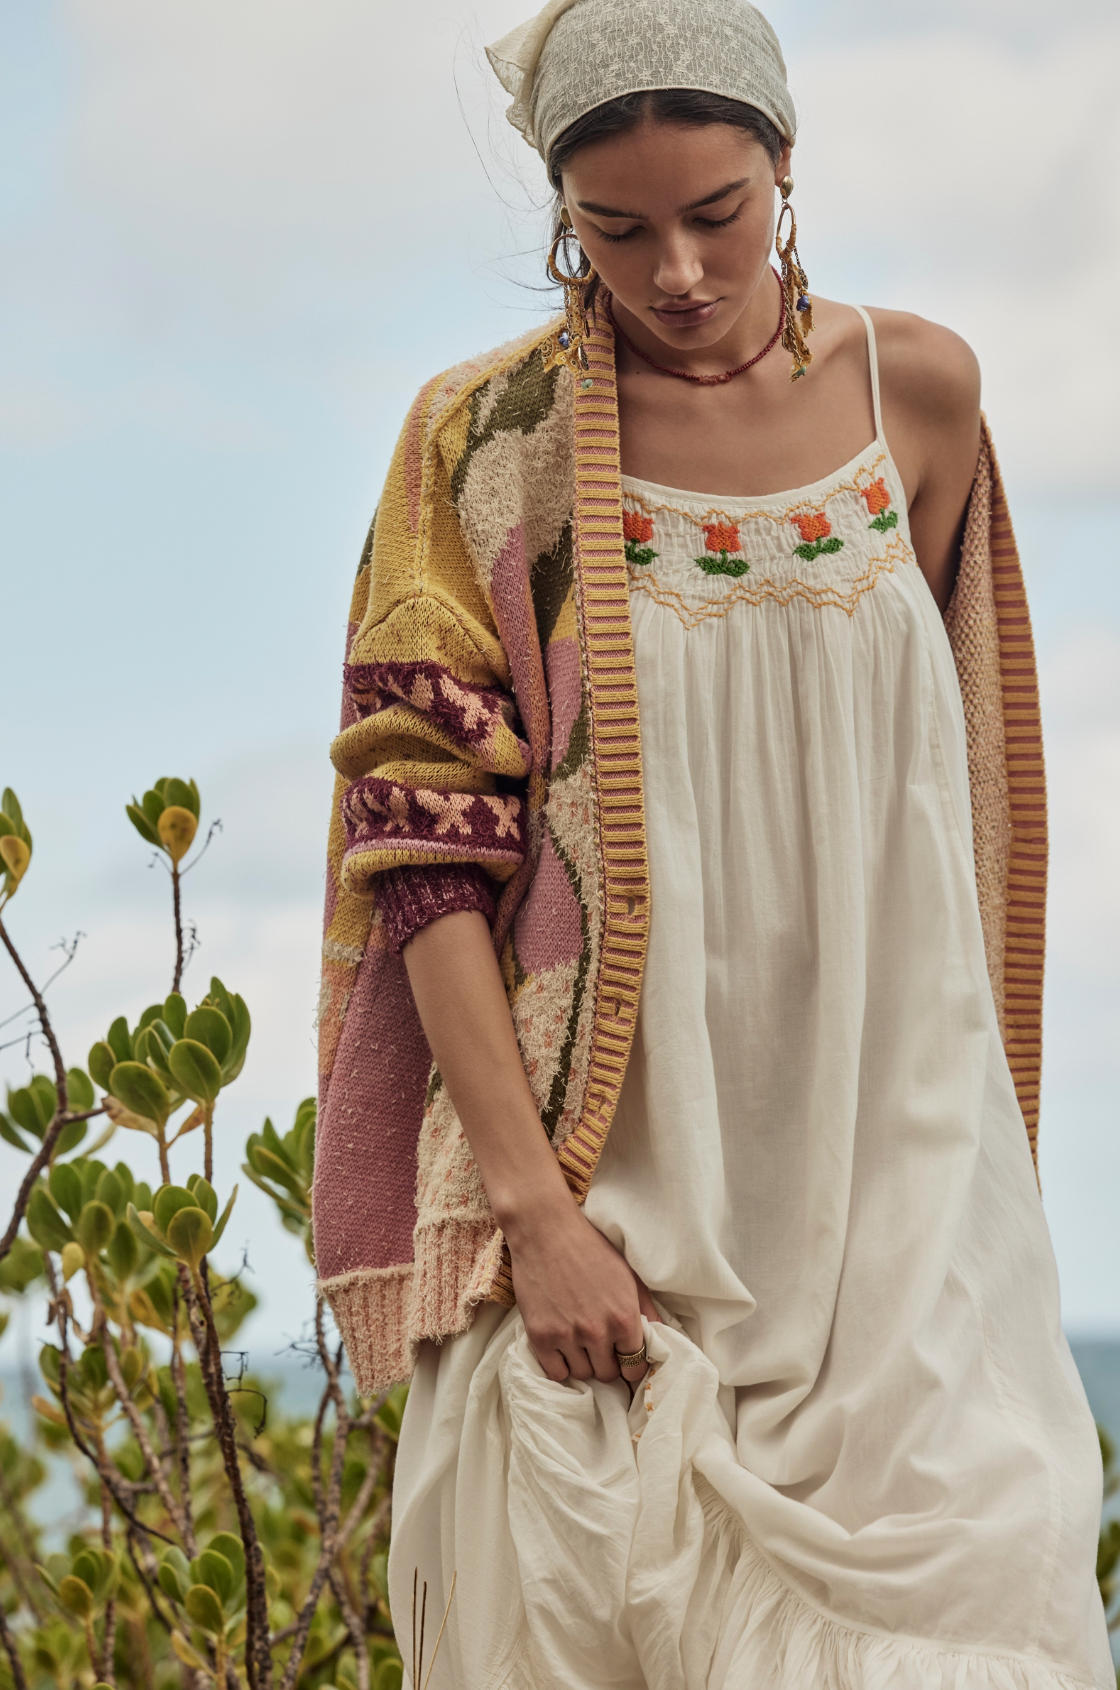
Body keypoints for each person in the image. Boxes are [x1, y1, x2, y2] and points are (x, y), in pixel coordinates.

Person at [310, 1, 1113, 1683]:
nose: (674, 271)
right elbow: (422, 846)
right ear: (561, 214)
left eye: (717, 214)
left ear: (787, 167)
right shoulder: (486, 446)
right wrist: (535, 1217)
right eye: (615, 230)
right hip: (612, 1215)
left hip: (896, 1195)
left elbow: (915, 796)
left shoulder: (921, 400)